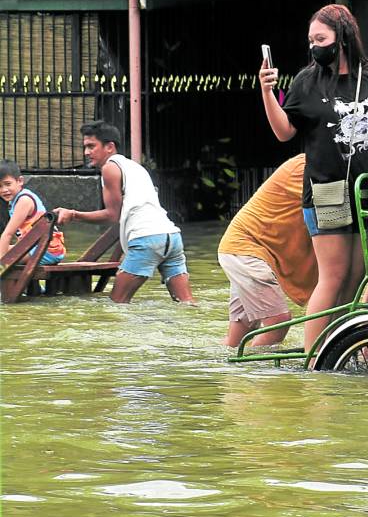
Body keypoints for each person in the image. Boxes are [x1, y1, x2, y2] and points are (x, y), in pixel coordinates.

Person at [259, 3, 368, 357]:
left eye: (321, 38)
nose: (315, 46)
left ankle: (341, 346)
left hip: (367, 189)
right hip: (328, 190)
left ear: (343, 37)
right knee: (333, 276)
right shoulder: (306, 80)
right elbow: (285, 132)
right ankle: (314, 356)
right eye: (311, 40)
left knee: (357, 275)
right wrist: (268, 93)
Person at [55, 121, 194, 303]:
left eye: (91, 146)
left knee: (117, 305)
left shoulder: (109, 168)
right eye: (85, 147)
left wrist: (73, 215)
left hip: (147, 239)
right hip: (172, 237)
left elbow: (113, 215)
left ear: (110, 147)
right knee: (186, 304)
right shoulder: (135, 166)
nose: (86, 153)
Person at [218, 154, 318, 347]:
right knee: (278, 322)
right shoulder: (309, 167)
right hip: (247, 249)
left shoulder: (310, 163)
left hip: (247, 249)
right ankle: (257, 371)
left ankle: (228, 369)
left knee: (235, 341)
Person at [0, 159, 67, 265]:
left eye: (7, 184)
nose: (4, 190)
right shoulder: (14, 201)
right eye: (0, 186)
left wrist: (2, 265)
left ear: (20, 181)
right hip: (38, 248)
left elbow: (7, 234)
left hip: (46, 251)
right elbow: (22, 236)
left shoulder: (24, 200)